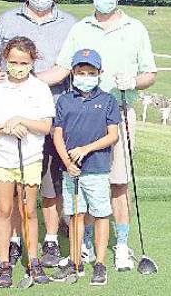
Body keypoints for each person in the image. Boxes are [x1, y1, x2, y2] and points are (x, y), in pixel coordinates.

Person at [37, 0, 157, 270]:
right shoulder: (81, 29)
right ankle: (87, 244)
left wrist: (134, 80)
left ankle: (121, 245)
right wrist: (25, 80)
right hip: (79, 115)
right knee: (85, 182)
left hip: (118, 114)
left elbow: (150, 75)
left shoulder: (136, 28)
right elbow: (62, 69)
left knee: (117, 183)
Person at [0, 0, 76, 267]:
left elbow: (67, 68)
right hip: (8, 118)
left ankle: (48, 240)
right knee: (18, 185)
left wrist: (30, 80)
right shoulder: (7, 20)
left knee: (48, 181)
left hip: (50, 114)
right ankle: (16, 240)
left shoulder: (70, 23)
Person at [0, 36, 54, 287]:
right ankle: (3, 264)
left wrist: (21, 120)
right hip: (2, 157)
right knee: (4, 210)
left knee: (29, 211)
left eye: (23, 62)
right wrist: (6, 127)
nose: (18, 66)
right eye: (13, 61)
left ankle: (33, 260)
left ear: (32, 62)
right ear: (5, 61)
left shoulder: (39, 88)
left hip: (30, 157)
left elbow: (45, 126)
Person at [51, 49, 120, 286]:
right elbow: (57, 135)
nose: (86, 76)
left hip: (97, 169)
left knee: (100, 214)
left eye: (91, 72)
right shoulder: (64, 100)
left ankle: (100, 264)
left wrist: (85, 149)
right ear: (73, 73)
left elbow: (113, 136)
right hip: (71, 171)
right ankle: (74, 260)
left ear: (99, 73)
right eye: (81, 72)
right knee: (75, 215)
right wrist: (67, 162)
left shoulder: (108, 100)